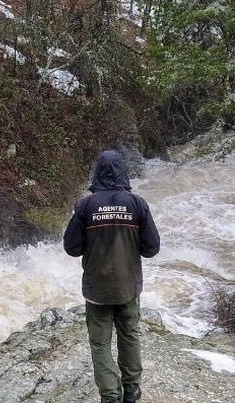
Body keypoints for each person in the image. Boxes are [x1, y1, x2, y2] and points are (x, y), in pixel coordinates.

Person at [63, 149, 160, 403]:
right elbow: (152, 249)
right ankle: (131, 390)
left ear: (98, 172)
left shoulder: (85, 206)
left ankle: (110, 396)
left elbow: (71, 248)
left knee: (100, 345)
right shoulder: (137, 204)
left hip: (97, 289)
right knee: (129, 337)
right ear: (123, 172)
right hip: (128, 287)